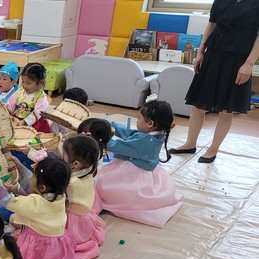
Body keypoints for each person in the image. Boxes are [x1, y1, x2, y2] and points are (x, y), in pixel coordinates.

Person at [170, 0, 259, 163]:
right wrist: (200, 52)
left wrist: (249, 64)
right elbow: (211, 24)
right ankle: (190, 144)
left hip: (238, 59)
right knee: (197, 105)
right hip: (213, 54)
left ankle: (213, 149)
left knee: (226, 110)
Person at [0, 156, 76, 259]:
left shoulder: (35, 203)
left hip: (39, 247)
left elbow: (5, 200)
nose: (31, 178)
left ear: (42, 187)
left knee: (10, 254)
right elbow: (34, 189)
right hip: (57, 244)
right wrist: (19, 167)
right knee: (14, 218)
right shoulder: (60, 195)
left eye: (33, 176)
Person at [96, 98, 183, 228]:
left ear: (150, 123)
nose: (136, 121)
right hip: (143, 171)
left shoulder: (144, 142)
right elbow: (129, 133)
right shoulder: (155, 134)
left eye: (139, 118)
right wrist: (108, 124)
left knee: (99, 185)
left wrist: (98, 137)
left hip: (133, 174)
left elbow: (116, 146)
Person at [61, 135, 106, 259]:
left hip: (72, 219)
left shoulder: (71, 182)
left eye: (63, 158)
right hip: (84, 216)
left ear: (75, 164)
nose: (61, 160)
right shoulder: (88, 172)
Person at [5, 62, 51, 132]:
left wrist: (25, 122)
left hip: (33, 121)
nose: (24, 85)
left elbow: (37, 113)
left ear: (40, 82)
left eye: (28, 83)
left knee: (33, 133)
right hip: (18, 118)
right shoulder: (20, 92)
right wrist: (7, 113)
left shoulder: (42, 98)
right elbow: (10, 104)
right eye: (23, 81)